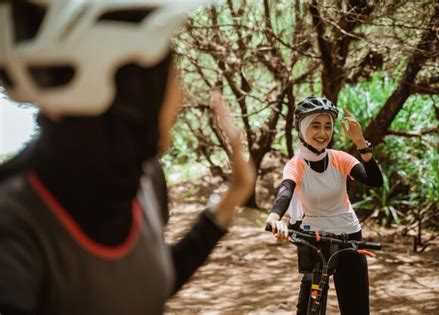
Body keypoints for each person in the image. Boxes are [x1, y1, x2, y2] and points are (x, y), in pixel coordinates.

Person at [0, 1, 255, 314]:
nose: (181, 96)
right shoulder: (13, 221)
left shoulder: (143, 177)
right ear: (127, 85)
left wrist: (229, 201)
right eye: (166, 70)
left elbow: (147, 284)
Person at [265, 96, 383, 314]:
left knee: (356, 308)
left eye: (328, 126)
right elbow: (285, 191)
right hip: (314, 238)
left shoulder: (340, 158)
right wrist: (274, 217)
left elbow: (375, 180)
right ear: (302, 128)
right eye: (315, 126)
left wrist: (360, 143)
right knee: (310, 306)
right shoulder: (296, 164)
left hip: (348, 236)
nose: (322, 133)